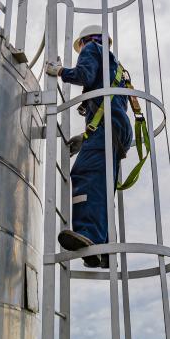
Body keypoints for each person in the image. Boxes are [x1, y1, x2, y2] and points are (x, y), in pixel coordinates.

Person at [46, 25, 133, 268]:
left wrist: (60, 71)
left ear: (84, 41)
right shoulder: (116, 69)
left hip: (108, 129)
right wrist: (86, 138)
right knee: (102, 187)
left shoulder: (92, 49)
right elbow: (113, 107)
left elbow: (83, 75)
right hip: (116, 129)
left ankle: (90, 236)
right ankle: (102, 250)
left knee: (84, 174)